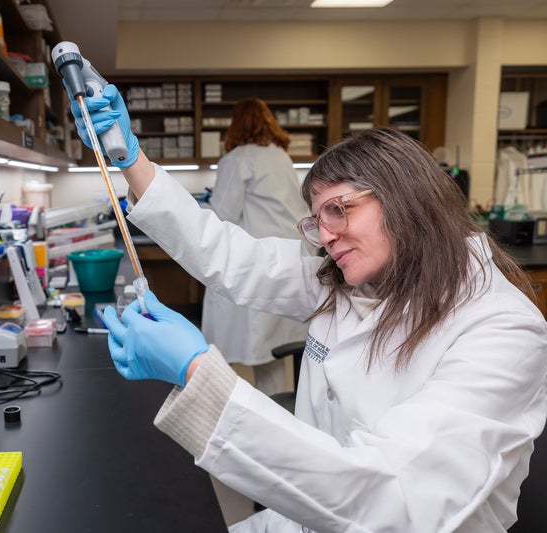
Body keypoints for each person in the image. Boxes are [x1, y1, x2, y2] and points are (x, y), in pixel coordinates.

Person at [69, 84, 547, 532]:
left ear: (408, 198)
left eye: (340, 208)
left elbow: (390, 499)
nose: (327, 236)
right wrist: (130, 159)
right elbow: (227, 254)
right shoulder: (345, 279)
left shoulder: (501, 330)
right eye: (317, 221)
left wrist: (198, 373)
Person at [203, 97, 312, 396]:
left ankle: (232, 422)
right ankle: (277, 421)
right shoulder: (280, 156)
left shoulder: (238, 158)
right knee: (272, 355)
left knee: (232, 355)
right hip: (289, 262)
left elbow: (222, 216)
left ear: (235, 126)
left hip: (256, 265)